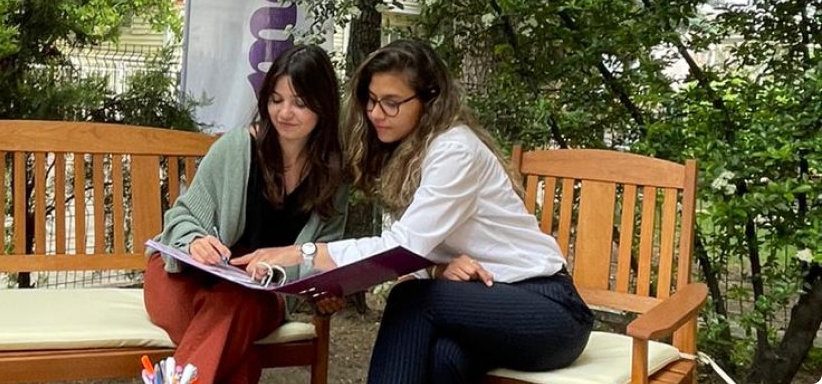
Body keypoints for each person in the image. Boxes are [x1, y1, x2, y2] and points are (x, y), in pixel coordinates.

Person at [235, 39, 594, 383]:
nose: (377, 113)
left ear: (429, 100)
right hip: (486, 301)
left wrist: (304, 253)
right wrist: (436, 268)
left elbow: (401, 250)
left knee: (411, 301)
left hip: (549, 309)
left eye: (392, 102)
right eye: (372, 100)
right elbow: (418, 253)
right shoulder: (405, 153)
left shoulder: (455, 150)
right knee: (443, 359)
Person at [144, 43, 349, 384]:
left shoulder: (333, 176)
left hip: (258, 295)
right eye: (276, 99)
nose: (284, 112)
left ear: (323, 106)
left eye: (299, 102)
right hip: (183, 279)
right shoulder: (236, 149)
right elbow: (181, 217)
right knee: (237, 350)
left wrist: (281, 267)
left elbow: (324, 255)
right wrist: (195, 240)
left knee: (238, 306)